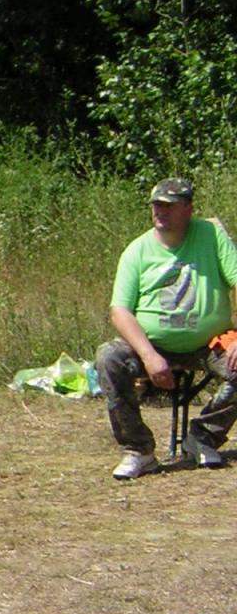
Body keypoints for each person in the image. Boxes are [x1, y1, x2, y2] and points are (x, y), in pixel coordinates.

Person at [95, 177, 237, 479]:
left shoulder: (211, 235)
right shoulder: (137, 250)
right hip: (152, 344)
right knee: (109, 358)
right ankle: (138, 450)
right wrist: (148, 356)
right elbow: (119, 311)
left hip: (209, 342)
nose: (161, 211)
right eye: (156, 205)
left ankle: (202, 437)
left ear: (188, 209)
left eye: (169, 206)